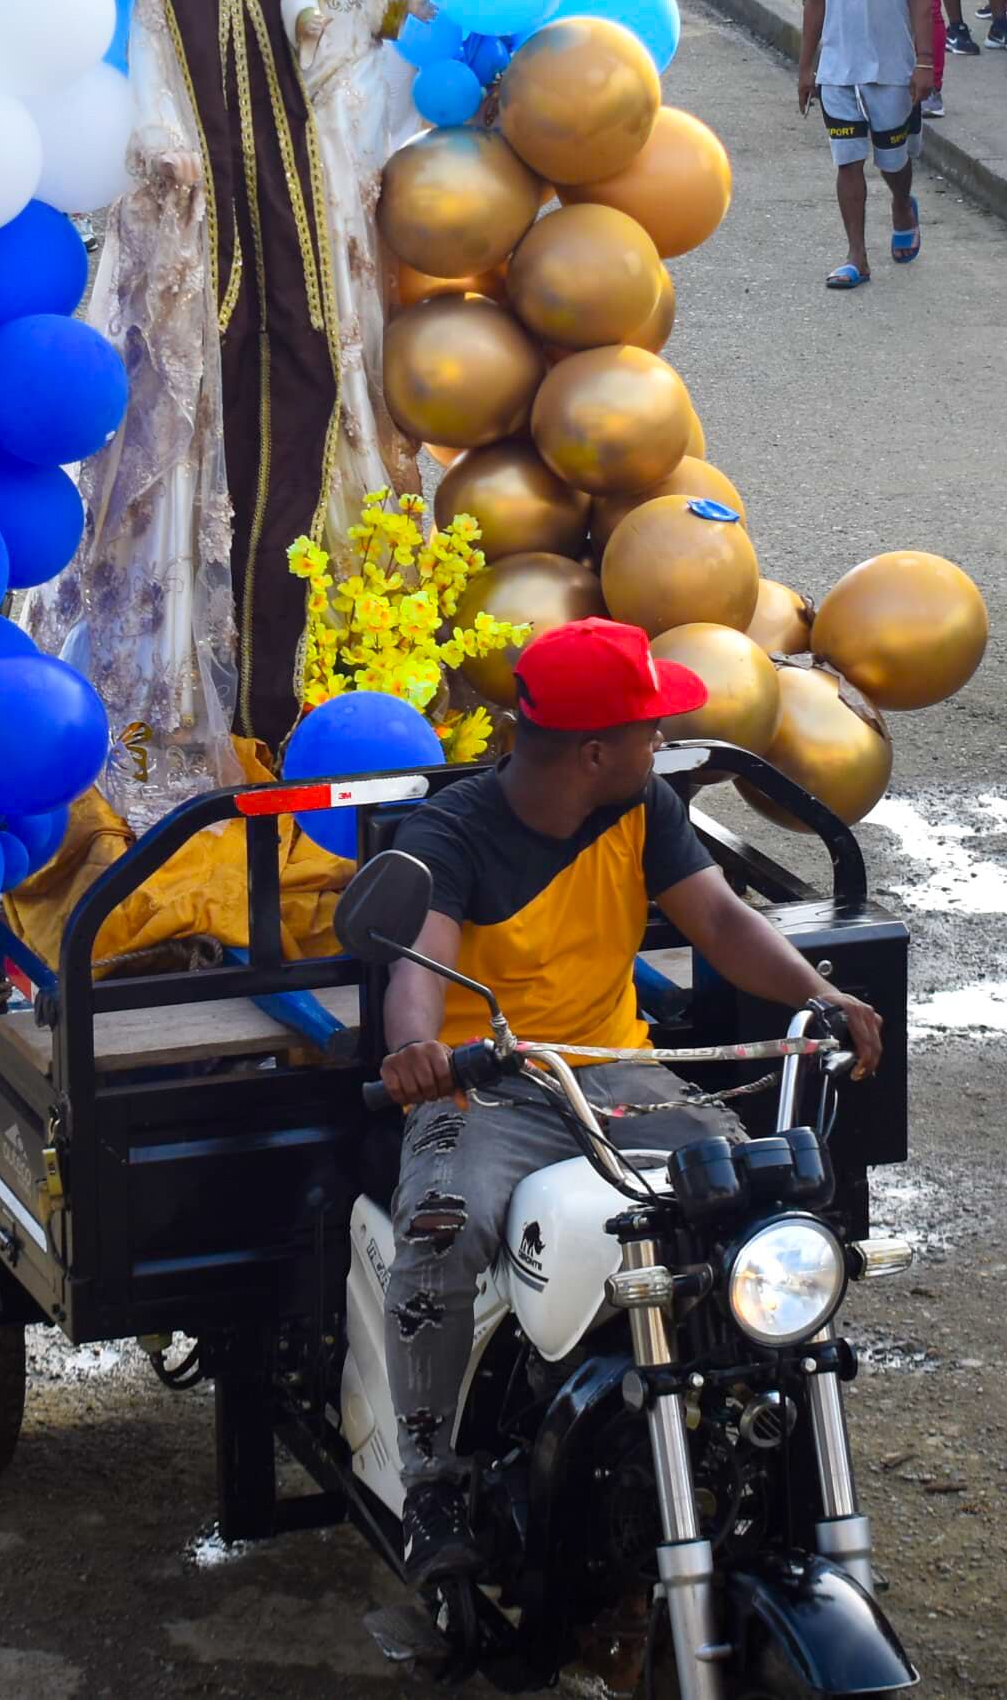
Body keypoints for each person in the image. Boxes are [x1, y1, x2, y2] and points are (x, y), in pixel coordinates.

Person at [371, 614, 886, 1590]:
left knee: (759, 1199)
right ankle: (430, 1484)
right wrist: (415, 1051)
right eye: (648, 728)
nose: (661, 740)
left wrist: (818, 993)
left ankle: (753, 1425)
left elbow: (720, 919)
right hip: (486, 1084)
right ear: (592, 751)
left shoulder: (642, 802)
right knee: (439, 1228)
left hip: (617, 1070)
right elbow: (418, 966)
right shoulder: (449, 830)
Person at [24, 0, 378, 819]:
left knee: (310, 400)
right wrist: (159, 138)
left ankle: (301, 679)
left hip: (296, 225)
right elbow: (150, 76)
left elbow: (347, 43)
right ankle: (188, 687)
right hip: (208, 227)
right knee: (198, 425)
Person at [283, 0, 423, 504]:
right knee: (335, 162)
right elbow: (296, 0)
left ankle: (361, 215)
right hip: (328, 88)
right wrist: (307, 21)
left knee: (367, 161)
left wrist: (407, 6)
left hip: (366, 80)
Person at [797, 0, 940, 286]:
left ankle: (901, 205)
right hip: (838, 69)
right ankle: (856, 256)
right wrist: (806, 67)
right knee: (848, 160)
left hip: (891, 67)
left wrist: (924, 62)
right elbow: (815, 0)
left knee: (892, 160)